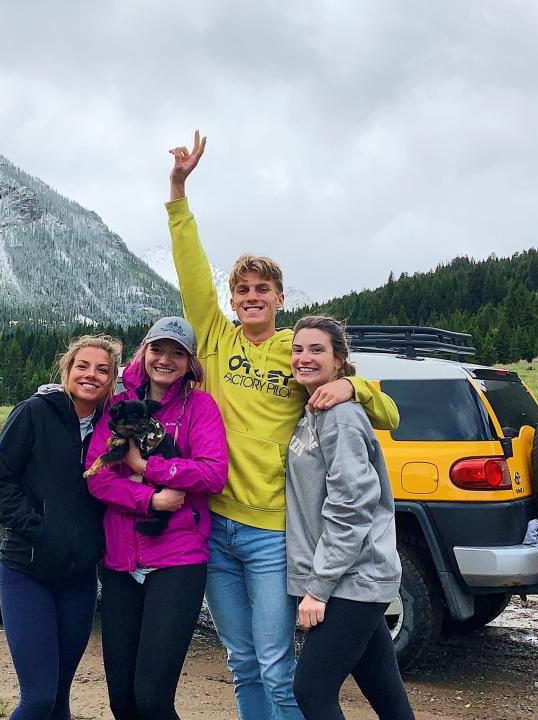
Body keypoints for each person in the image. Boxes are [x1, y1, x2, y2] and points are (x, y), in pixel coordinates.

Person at [166, 131, 400, 720]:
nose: (250, 297)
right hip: (215, 526)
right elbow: (190, 269)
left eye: (261, 290)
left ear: (278, 297)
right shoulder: (216, 340)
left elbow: (386, 412)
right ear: (232, 297)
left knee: (276, 663)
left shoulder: (296, 355)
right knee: (240, 658)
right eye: (242, 289)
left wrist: (353, 384)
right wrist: (178, 192)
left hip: (273, 531)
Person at [86, 316, 229, 720]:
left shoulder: (200, 407)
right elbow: (98, 480)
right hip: (119, 562)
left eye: (177, 352)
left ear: (190, 361)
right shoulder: (118, 405)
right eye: (158, 349)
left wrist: (146, 466)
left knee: (152, 699)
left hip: (177, 562)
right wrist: (152, 501)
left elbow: (213, 473)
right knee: (122, 701)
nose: (165, 359)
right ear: (144, 351)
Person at [0, 335, 122, 720]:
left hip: (78, 579)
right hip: (28, 571)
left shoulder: (111, 429)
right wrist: (37, 528)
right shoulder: (33, 413)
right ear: (67, 369)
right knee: (38, 698)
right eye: (83, 366)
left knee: (60, 698)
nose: (91, 375)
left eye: (102, 369)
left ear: (112, 380)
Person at [287, 315, 414, 720]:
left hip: (352, 581)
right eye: (298, 349)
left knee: (311, 691)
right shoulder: (315, 409)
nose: (304, 358)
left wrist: (319, 587)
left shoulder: (340, 415)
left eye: (316, 349)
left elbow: (351, 507)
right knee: (386, 694)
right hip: (355, 579)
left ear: (340, 360)